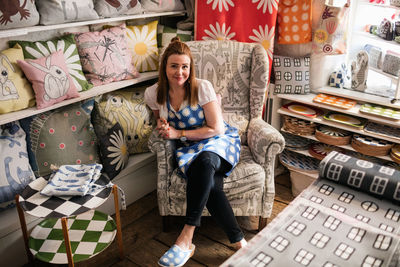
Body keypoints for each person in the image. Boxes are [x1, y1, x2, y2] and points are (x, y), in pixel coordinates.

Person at [144, 37, 247, 267]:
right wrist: (163, 127)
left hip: (218, 141)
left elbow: (216, 128)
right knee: (211, 186)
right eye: (174, 66)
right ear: (164, 67)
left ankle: (186, 236)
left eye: (184, 66)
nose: (179, 72)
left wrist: (178, 135)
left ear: (190, 68)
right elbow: (160, 121)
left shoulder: (202, 88)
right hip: (191, 149)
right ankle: (239, 241)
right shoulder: (154, 94)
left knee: (207, 159)